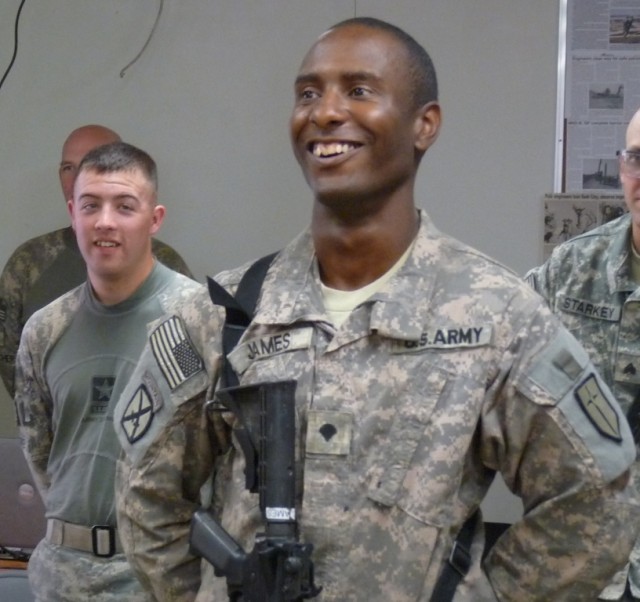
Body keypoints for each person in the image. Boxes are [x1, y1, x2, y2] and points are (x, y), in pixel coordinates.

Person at [114, 17, 640, 601]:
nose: (325, 112)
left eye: (358, 90)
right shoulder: (224, 313)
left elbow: (599, 495)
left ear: (425, 124)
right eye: (308, 93)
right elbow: (145, 494)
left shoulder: (498, 316)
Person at [13, 142, 204, 601]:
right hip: (62, 575)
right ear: (72, 214)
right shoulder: (46, 330)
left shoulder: (195, 320)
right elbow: (40, 454)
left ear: (154, 219)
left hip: (158, 579)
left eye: (124, 207)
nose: (105, 222)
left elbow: (212, 452)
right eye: (90, 205)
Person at [526, 106, 640, 602]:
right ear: (621, 168)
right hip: (582, 565)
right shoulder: (573, 267)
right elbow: (495, 351)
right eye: (637, 159)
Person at [0, 124, 193, 398]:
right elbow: (10, 357)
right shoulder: (28, 264)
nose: (80, 175)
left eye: (94, 161)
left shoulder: (169, 269)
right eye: (69, 167)